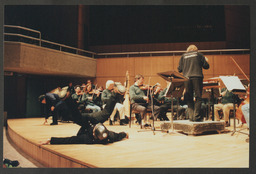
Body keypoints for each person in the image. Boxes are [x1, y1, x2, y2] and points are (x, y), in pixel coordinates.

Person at [40, 95, 129, 145]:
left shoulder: (86, 138)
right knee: (106, 113)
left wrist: (50, 140)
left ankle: (67, 98)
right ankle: (115, 94)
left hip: (86, 126)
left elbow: (68, 140)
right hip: (94, 120)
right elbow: (118, 135)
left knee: (75, 117)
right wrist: (125, 134)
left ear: (94, 134)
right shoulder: (109, 135)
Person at [178, 44, 209, 122]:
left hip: (186, 78)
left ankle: (191, 117)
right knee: (198, 97)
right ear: (196, 49)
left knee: (189, 97)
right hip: (197, 76)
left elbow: (179, 69)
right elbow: (206, 66)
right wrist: (206, 61)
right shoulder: (199, 54)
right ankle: (196, 116)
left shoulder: (183, 56)